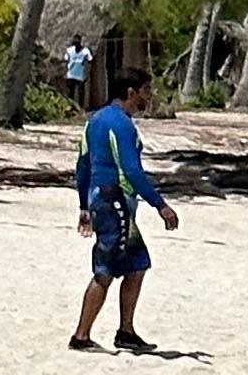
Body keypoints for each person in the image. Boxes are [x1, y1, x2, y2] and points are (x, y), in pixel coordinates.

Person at [70, 75, 179, 353]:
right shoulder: (122, 125)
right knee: (105, 271)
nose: (149, 96)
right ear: (131, 92)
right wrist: (160, 204)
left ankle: (126, 332)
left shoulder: (94, 121)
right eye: (146, 91)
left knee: (137, 264)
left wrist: (84, 205)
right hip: (114, 200)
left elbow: (82, 166)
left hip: (99, 199)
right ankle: (81, 336)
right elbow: (131, 170)